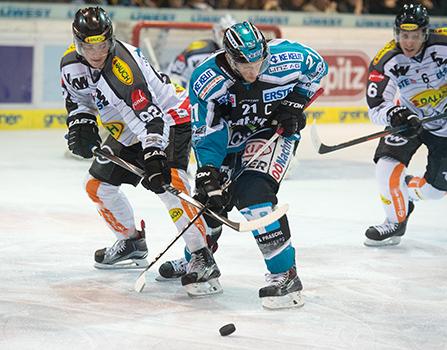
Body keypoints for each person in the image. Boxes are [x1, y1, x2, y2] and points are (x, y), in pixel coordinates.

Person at [61, 7, 221, 296]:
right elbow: (77, 99)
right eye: (89, 46)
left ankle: (201, 256)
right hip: (128, 127)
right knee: (97, 186)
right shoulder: (70, 64)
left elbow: (153, 119)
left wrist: (155, 157)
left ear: (110, 40)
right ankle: (132, 242)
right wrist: (80, 122)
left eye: (102, 45)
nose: (97, 53)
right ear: (77, 43)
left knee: (168, 185)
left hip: (169, 119)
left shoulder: (123, 71)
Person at [188, 21, 328, 309]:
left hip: (271, 133)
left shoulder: (289, 57)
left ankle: (284, 275)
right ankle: (199, 258)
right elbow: (207, 131)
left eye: (258, 61)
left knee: (254, 195)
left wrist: (295, 104)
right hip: (228, 139)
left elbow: (318, 67)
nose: (253, 70)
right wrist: (208, 169)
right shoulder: (206, 79)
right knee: (209, 199)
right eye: (244, 63)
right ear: (228, 56)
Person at [364, 3, 447, 247]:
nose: (408, 42)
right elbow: (376, 106)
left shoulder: (443, 43)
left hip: (444, 129)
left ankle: (407, 193)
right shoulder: (386, 59)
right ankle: (394, 222)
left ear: (425, 33)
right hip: (411, 121)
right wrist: (397, 115)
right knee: (386, 164)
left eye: (414, 36)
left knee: (435, 192)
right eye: (403, 35)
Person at [165, 15, 236, 90]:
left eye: (231, 33)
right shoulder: (196, 52)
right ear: (216, 31)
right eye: (223, 31)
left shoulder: (241, 55)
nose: (227, 36)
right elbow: (174, 77)